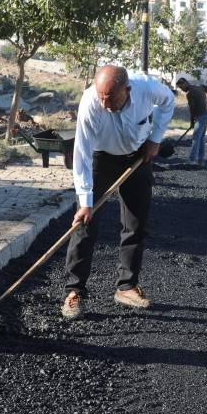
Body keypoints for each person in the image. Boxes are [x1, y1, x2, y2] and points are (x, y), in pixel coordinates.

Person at [62, 65, 175, 320]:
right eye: (101, 97)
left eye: (111, 98)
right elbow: (82, 154)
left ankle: (126, 287)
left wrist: (155, 138)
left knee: (136, 224)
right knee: (85, 224)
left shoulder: (147, 88)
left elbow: (168, 101)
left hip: (137, 157)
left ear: (128, 90)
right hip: (101, 159)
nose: (105, 103)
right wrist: (85, 201)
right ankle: (74, 290)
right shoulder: (91, 102)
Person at [175, 77, 207, 168]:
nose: (181, 89)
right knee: (201, 139)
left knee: (196, 138)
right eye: (180, 88)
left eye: (181, 87)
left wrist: (191, 121)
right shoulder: (199, 87)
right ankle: (201, 161)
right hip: (206, 116)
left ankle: (192, 159)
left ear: (185, 83)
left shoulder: (190, 93)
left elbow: (192, 109)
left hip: (201, 117)